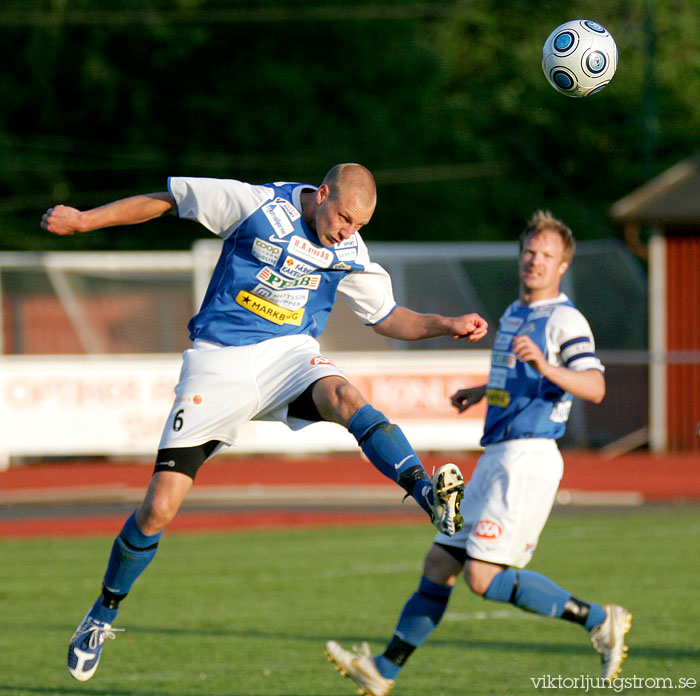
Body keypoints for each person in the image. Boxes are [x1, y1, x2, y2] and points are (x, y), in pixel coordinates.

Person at [41, 163, 488, 682]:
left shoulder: (349, 250)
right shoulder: (253, 204)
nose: (348, 231)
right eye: (344, 217)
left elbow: (386, 315)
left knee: (345, 395)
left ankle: (427, 492)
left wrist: (445, 325)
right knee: (159, 507)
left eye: (359, 225)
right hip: (219, 362)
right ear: (321, 194)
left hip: (290, 356)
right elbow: (168, 198)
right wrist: (83, 222)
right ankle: (103, 611)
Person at [326, 210, 632, 696]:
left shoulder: (564, 319)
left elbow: (593, 386)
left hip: (529, 459)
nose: (534, 261)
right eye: (529, 251)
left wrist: (548, 367)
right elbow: (517, 380)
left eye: (546, 256)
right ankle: (384, 670)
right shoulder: (515, 313)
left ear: (562, 265)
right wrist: (481, 390)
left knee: (483, 578)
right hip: (497, 455)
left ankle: (600, 620)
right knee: (438, 564)